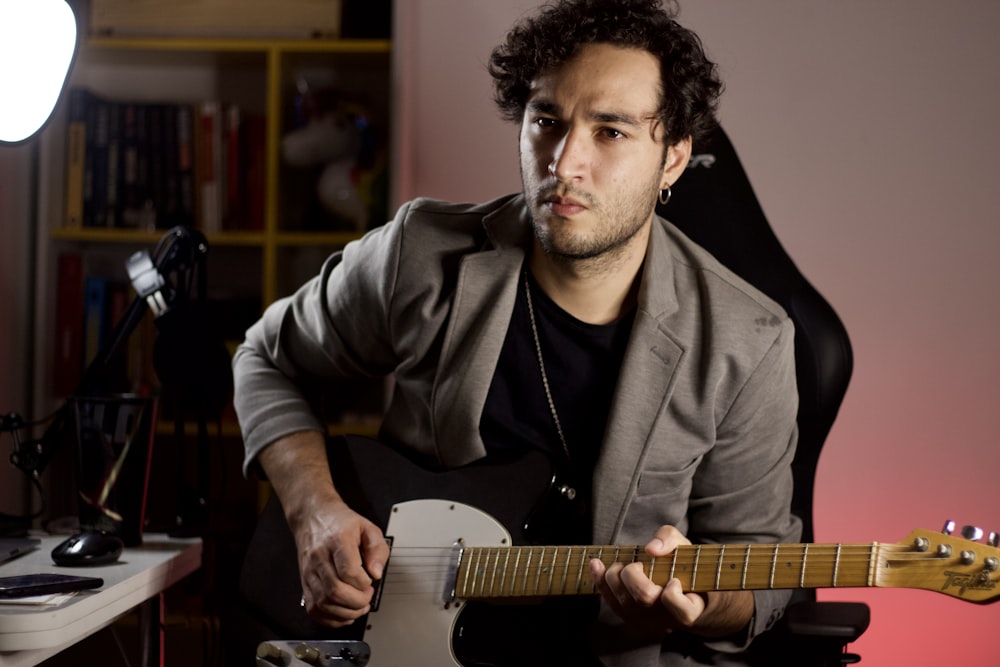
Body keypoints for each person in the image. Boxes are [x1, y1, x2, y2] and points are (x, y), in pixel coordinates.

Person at [232, 0, 801, 664]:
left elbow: (761, 567)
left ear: (673, 160)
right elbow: (266, 358)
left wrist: (701, 602)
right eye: (547, 121)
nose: (565, 162)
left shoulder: (748, 340)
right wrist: (315, 513)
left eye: (610, 131)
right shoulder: (422, 253)